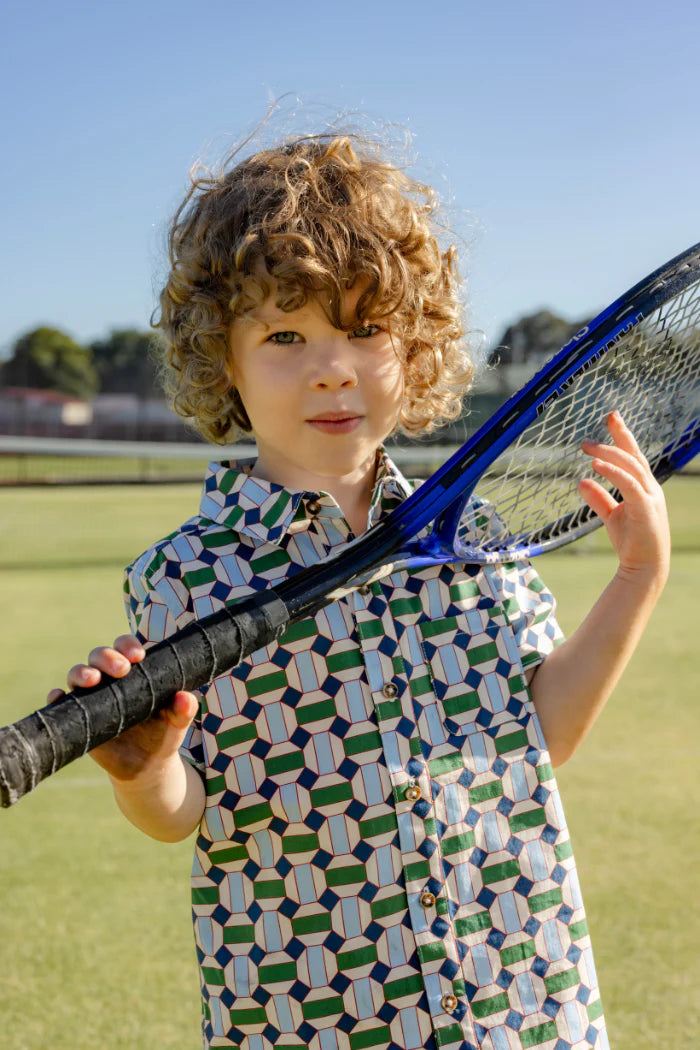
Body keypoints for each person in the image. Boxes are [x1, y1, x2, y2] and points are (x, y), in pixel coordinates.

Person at [53, 133, 669, 1050]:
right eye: (286, 335)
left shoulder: (480, 542)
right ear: (222, 355)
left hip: (517, 998)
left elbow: (539, 738)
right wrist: (145, 772)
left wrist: (636, 578)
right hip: (316, 1013)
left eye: (366, 329)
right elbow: (187, 812)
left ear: (415, 349)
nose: (332, 367)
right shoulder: (183, 577)